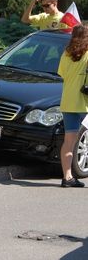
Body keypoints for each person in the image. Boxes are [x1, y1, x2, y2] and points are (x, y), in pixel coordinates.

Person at [57, 23, 88, 188]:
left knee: (69, 141)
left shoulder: (65, 55)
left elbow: (61, 74)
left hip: (68, 103)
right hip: (85, 106)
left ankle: (67, 177)